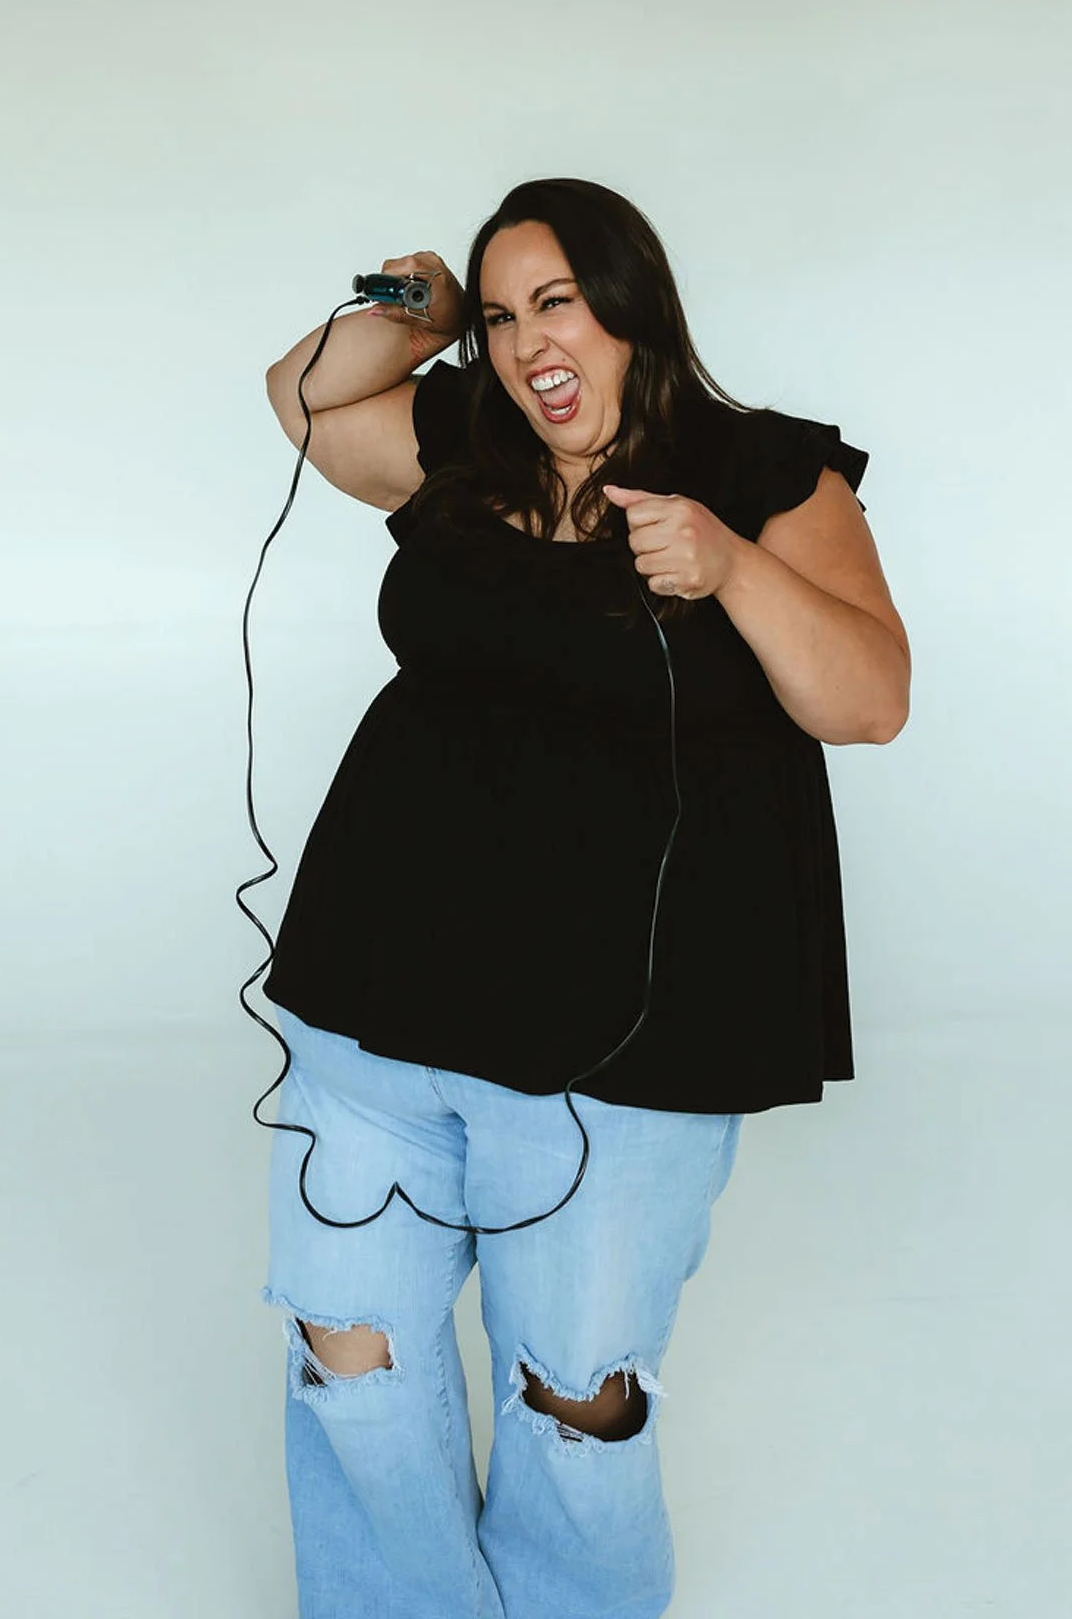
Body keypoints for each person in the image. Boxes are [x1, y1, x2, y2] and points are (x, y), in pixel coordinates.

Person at [257, 176, 910, 1619]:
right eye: (499, 319)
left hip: (624, 1044)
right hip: (379, 990)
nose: (524, 345)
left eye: (554, 303)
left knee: (575, 1406)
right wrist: (411, 311)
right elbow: (304, 400)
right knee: (348, 1355)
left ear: (631, 305)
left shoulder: (762, 473)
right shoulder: (466, 445)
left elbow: (869, 698)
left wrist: (730, 566)